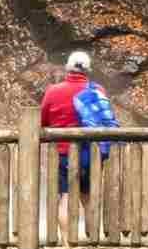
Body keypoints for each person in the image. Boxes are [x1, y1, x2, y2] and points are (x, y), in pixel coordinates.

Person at [39, 50, 119, 196]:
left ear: (67, 68)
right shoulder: (97, 91)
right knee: (87, 198)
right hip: (90, 154)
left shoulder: (53, 91)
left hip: (63, 153)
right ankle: (90, 220)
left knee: (65, 199)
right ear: (87, 70)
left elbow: (42, 121)